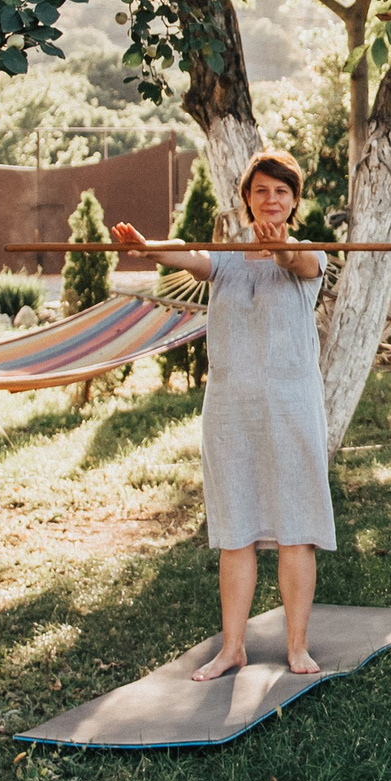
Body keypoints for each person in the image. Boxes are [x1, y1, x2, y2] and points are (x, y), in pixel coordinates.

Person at [112, 150, 332, 682]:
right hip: (232, 406)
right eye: (261, 191)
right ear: (247, 199)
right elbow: (186, 258)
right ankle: (232, 647)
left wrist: (279, 251)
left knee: (295, 526)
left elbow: (295, 264)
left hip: (291, 402)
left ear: (294, 200)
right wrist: (147, 248)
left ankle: (296, 646)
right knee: (234, 528)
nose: (271, 200)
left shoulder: (311, 255)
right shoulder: (226, 258)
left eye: (281, 192)